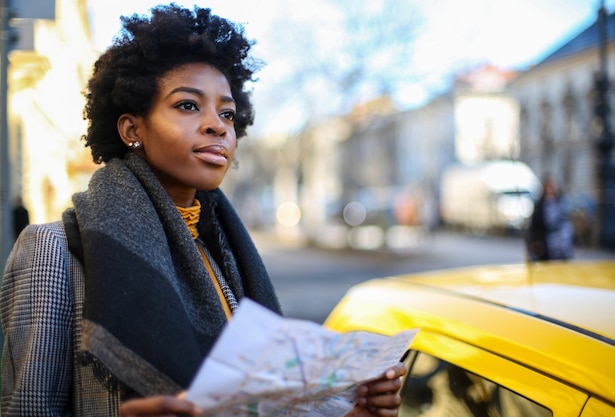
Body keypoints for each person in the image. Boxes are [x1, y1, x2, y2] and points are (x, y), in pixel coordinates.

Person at [0, 4, 406, 417]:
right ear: (131, 128)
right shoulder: (53, 252)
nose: (218, 126)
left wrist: (355, 413)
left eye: (227, 113)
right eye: (188, 105)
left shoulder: (222, 253)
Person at [526, 176, 574, 261]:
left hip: (560, 242)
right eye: (548, 187)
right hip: (545, 242)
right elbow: (535, 225)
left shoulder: (560, 203)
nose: (550, 190)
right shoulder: (540, 205)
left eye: (551, 187)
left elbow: (566, 222)